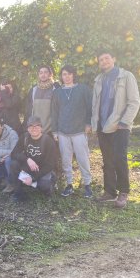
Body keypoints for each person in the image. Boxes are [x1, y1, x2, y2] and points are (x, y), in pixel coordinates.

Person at [92, 49, 140, 208]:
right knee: (107, 160)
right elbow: (96, 104)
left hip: (120, 126)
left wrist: (125, 122)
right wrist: (95, 123)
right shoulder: (99, 79)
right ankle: (109, 192)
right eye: (101, 60)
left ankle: (123, 192)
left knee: (120, 158)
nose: (104, 62)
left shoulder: (126, 76)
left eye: (106, 58)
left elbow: (134, 102)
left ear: (113, 59)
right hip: (103, 126)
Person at [51, 65, 93, 198]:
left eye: (69, 74)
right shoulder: (57, 92)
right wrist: (55, 131)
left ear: (73, 75)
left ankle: (87, 184)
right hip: (63, 132)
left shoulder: (83, 89)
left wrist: (88, 123)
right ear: (61, 77)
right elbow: (54, 112)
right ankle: (69, 184)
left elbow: (90, 107)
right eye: (64, 74)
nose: (67, 76)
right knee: (66, 160)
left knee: (83, 158)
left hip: (79, 131)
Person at [9, 116, 58, 201]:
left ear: (41, 128)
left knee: (44, 185)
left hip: (42, 169)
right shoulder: (24, 137)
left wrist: (33, 178)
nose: (34, 128)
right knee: (13, 164)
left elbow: (50, 164)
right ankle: (18, 194)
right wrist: (27, 159)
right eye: (31, 126)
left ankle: (50, 185)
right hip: (28, 167)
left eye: (37, 126)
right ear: (27, 128)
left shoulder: (48, 141)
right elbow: (13, 154)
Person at [24, 65, 60, 135]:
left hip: (51, 131)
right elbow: (29, 110)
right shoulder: (33, 89)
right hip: (35, 130)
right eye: (41, 73)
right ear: (38, 75)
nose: (43, 75)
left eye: (45, 72)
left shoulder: (56, 89)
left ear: (50, 74)